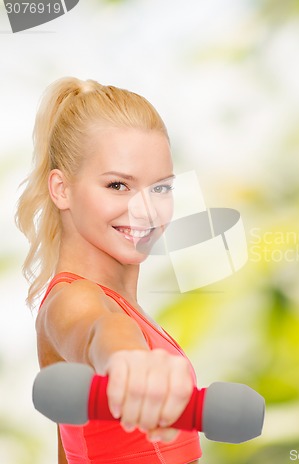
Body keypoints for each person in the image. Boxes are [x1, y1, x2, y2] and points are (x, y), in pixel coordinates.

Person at [15, 77, 202, 464]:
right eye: (118, 185)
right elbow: (100, 330)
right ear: (61, 189)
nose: (146, 210)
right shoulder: (74, 299)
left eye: (161, 189)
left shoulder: (122, 304)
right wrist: (127, 361)